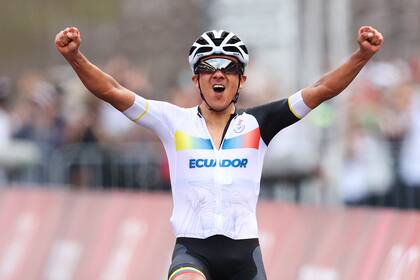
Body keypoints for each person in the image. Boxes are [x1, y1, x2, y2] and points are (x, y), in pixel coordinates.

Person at [55, 26, 383, 280]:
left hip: (245, 255)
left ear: (241, 80)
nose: (218, 73)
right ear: (197, 79)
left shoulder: (260, 123)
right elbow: (113, 91)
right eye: (208, 67)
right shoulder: (173, 122)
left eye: (228, 67)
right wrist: (75, 57)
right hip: (192, 251)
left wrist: (362, 56)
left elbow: (321, 90)